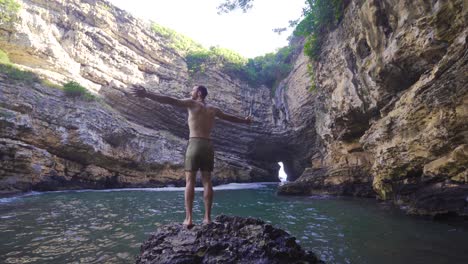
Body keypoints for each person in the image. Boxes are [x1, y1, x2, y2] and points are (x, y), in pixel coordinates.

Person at [130, 85, 252, 227]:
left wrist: (147, 94)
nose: (191, 92)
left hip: (194, 144)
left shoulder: (192, 103)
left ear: (199, 93)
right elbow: (230, 118)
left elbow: (170, 100)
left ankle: (189, 219)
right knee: (207, 181)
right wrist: (245, 120)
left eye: (193, 90)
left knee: (190, 182)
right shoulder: (214, 110)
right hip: (208, 146)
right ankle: (207, 218)